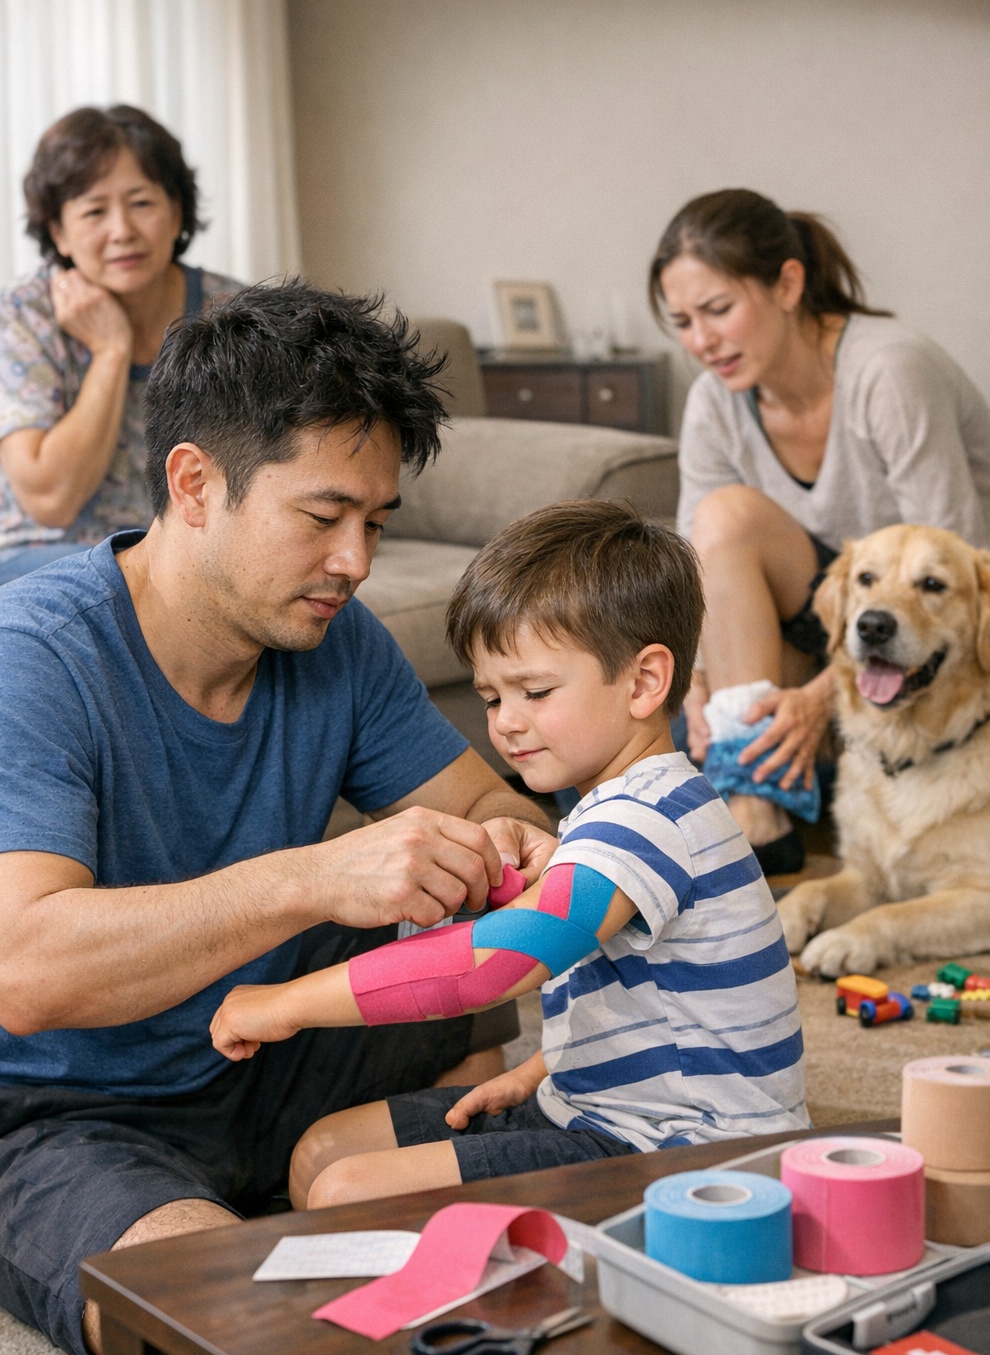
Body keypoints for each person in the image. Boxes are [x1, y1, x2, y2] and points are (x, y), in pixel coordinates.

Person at [0, 279, 555, 1355]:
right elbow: (25, 967)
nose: (356, 562)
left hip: (263, 1033)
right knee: (230, 1327)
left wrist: (513, 844)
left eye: (373, 522)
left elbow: (486, 807)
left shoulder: (339, 641)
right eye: (323, 517)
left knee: (475, 981)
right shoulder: (24, 658)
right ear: (195, 484)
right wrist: (313, 877)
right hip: (55, 1103)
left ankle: (352, 1162)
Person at [211, 502, 809, 1207]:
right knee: (323, 1151)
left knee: (348, 1191)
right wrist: (549, 1070)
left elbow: (502, 960)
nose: (507, 723)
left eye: (536, 691)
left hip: (692, 1155)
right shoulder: (619, 806)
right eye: (492, 697)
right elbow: (654, 1002)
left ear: (646, 682)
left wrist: (287, 1003)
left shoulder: (648, 819)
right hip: (603, 1110)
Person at [649, 188, 990, 873]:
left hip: (934, 631)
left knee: (730, 518)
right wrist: (698, 684)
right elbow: (697, 572)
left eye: (718, 310)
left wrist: (820, 699)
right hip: (830, 623)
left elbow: (955, 566)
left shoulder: (889, 369)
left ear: (788, 283)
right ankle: (759, 817)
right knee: (654, 684)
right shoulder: (715, 400)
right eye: (683, 320)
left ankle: (753, 808)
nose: (701, 341)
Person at [0, 103, 241, 602]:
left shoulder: (232, 313)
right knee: (121, 588)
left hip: (178, 550)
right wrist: (112, 350)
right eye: (94, 211)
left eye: (141, 203)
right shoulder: (22, 311)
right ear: (58, 232)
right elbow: (51, 499)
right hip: (27, 550)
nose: (121, 231)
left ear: (176, 210)